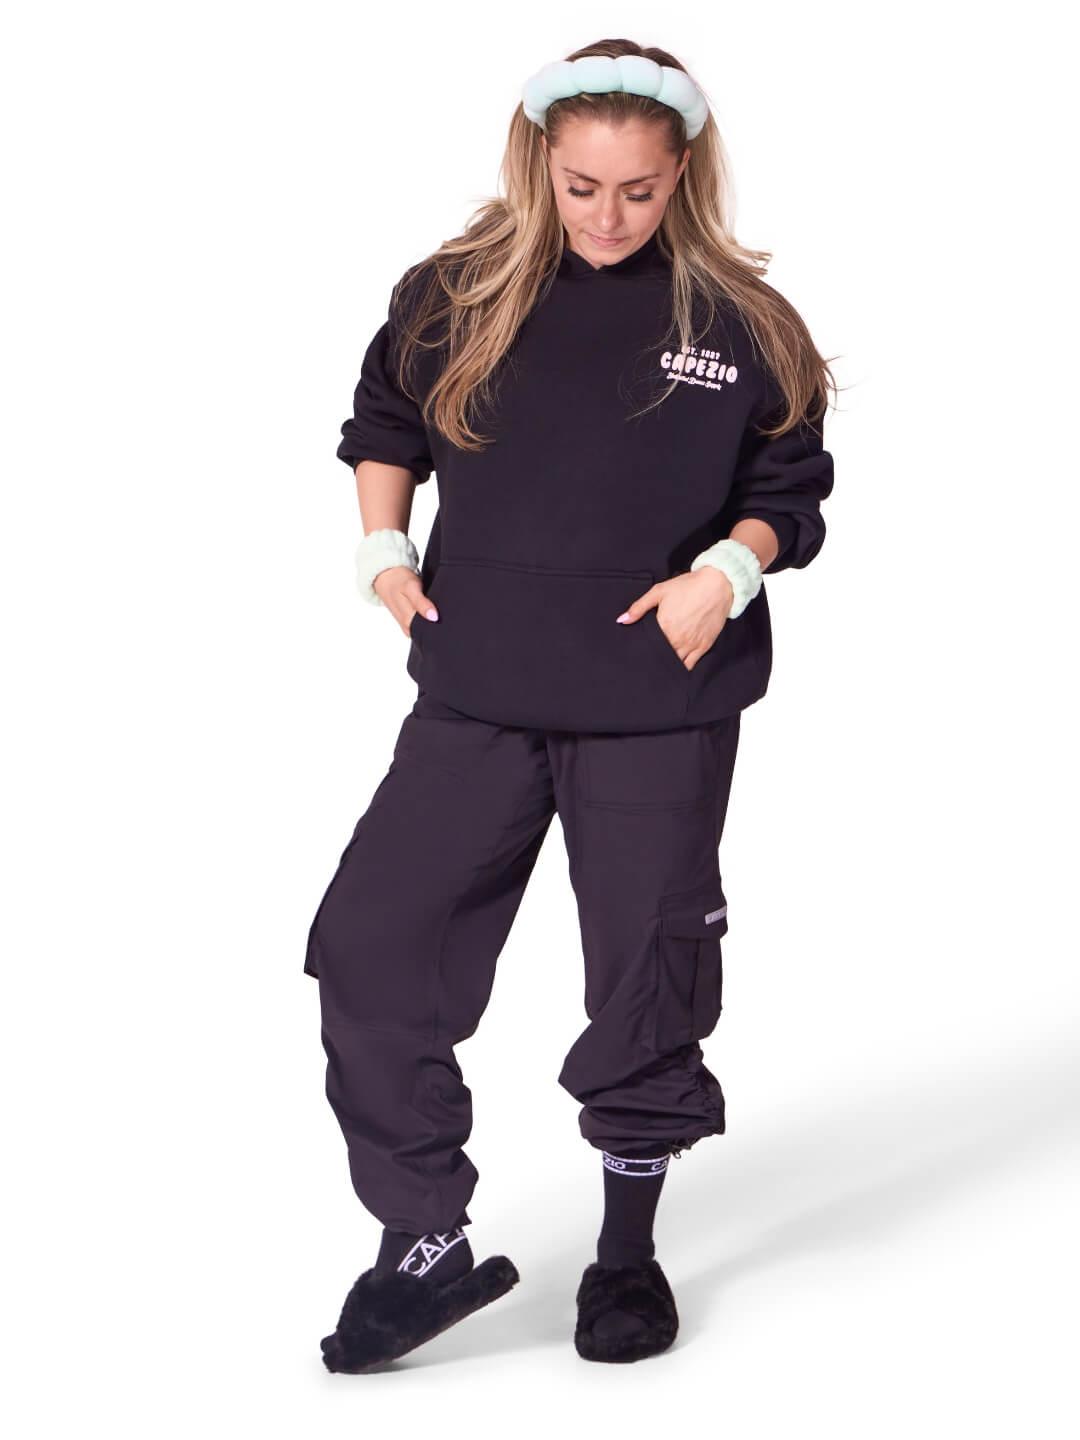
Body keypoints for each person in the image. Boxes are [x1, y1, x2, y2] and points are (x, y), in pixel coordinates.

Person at [307, 38, 836, 1373]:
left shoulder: (743, 324)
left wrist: (726, 573)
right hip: (478, 690)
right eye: (583, 185)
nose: (608, 215)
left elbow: (789, 492)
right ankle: (423, 1240)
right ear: (540, 163)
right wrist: (384, 548)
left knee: (648, 984)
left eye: (639, 191)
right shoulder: (456, 293)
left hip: (657, 699)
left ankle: (626, 1256)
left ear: (683, 174)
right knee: (373, 948)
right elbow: (385, 423)